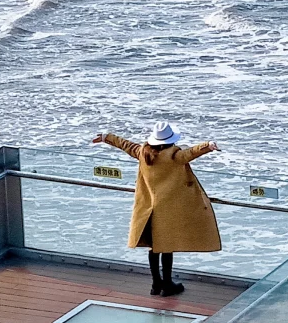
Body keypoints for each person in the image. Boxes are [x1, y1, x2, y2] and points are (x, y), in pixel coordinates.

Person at [92, 121, 221, 296]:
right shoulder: (174, 155)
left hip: (147, 209)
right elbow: (190, 153)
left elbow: (126, 145)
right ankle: (167, 285)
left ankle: (155, 284)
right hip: (167, 210)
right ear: (170, 141)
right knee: (166, 248)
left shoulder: (142, 152)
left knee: (153, 249)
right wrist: (208, 146)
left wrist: (107, 137)